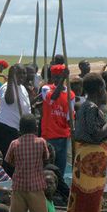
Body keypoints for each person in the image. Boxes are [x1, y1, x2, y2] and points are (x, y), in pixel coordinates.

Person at [68, 73, 107, 212]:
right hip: (90, 159)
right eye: (104, 87)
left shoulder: (87, 106)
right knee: (89, 194)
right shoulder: (91, 107)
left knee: (86, 194)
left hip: (88, 156)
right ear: (99, 90)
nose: (106, 92)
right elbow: (96, 134)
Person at [0, 64, 31, 176]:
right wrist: (11, 79)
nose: (22, 76)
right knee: (3, 162)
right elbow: (9, 100)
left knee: (12, 163)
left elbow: (25, 108)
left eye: (24, 73)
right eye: (19, 73)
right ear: (13, 75)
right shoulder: (6, 87)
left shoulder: (23, 88)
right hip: (3, 128)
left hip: (16, 129)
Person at [5, 114, 50, 212]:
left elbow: (8, 162)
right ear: (36, 128)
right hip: (36, 186)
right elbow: (46, 159)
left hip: (19, 186)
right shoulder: (41, 142)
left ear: (20, 129)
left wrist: (20, 165)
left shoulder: (14, 143)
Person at [40, 64, 75, 196]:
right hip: (49, 135)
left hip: (63, 136)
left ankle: (59, 193)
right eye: (54, 76)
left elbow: (69, 117)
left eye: (59, 76)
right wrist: (62, 81)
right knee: (47, 166)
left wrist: (73, 129)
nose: (56, 79)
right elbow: (53, 97)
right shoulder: (46, 88)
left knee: (60, 168)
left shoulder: (70, 94)